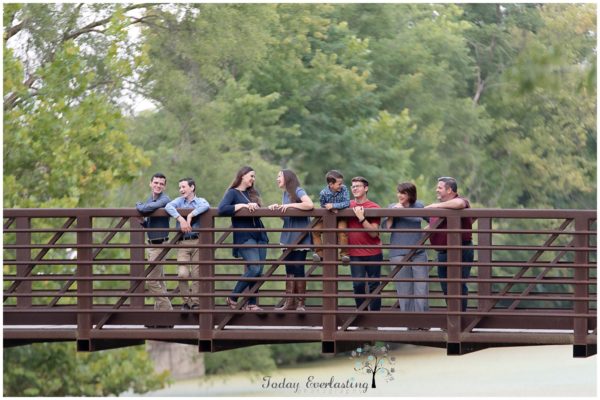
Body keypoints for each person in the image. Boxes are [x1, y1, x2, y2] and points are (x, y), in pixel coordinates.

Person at [218, 166, 268, 312]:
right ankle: (233, 297)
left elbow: (258, 212)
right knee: (254, 268)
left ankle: (252, 304)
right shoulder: (232, 193)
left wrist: (256, 206)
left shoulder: (253, 193)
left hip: (260, 235)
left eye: (254, 176)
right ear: (242, 176)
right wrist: (241, 205)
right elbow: (222, 209)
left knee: (258, 271)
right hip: (245, 236)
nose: (253, 179)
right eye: (251, 176)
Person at [268, 169, 314, 311]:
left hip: (300, 237)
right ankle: (289, 303)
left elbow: (309, 205)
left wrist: (288, 206)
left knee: (299, 267)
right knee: (289, 268)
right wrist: (278, 208)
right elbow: (287, 216)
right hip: (288, 237)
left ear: (287, 178)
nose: (277, 179)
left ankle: (301, 303)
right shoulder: (285, 194)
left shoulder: (298, 190)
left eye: (279, 176)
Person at [425, 176, 474, 312]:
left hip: (460, 250)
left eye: (440, 188)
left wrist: (436, 206)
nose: (437, 190)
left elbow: (459, 204)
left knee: (458, 287)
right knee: (446, 288)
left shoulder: (460, 202)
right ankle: (453, 318)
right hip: (443, 253)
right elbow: (434, 226)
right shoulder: (442, 209)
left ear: (449, 190)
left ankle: (459, 320)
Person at [165, 178, 210, 312]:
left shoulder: (200, 201)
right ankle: (186, 301)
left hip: (197, 241)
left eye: (184, 187)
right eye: (180, 187)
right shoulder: (179, 201)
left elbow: (206, 206)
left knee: (197, 274)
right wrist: (180, 218)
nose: (181, 190)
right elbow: (168, 206)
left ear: (192, 187)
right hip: (183, 242)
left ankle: (194, 303)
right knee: (182, 274)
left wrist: (190, 215)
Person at [135, 173, 173, 328]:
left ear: (164, 186)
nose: (158, 185)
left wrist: (139, 206)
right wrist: (144, 224)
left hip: (160, 245)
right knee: (159, 282)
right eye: (156, 182)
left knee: (151, 281)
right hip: (151, 244)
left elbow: (147, 208)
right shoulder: (151, 198)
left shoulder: (165, 199)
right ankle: (158, 318)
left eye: (161, 184)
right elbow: (151, 218)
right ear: (150, 183)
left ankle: (169, 313)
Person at [386, 182, 429, 312]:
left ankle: (422, 320)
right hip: (398, 253)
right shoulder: (392, 207)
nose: (400, 195)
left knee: (422, 286)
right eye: (399, 192)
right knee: (404, 288)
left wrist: (423, 232)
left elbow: (433, 220)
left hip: (419, 252)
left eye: (403, 193)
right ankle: (409, 320)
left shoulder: (419, 206)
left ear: (410, 194)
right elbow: (387, 228)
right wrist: (392, 213)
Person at [348, 176, 382, 311]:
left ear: (366, 188)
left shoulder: (374, 207)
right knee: (358, 284)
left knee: (374, 285)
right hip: (354, 253)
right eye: (353, 186)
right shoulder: (347, 205)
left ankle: (374, 319)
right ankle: (361, 317)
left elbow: (374, 233)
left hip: (373, 252)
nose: (355, 188)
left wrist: (361, 218)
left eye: (358, 186)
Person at [312, 170, 350, 264]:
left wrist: (334, 206)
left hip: (341, 216)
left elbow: (347, 203)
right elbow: (323, 205)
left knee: (342, 230)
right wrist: (330, 209)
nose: (341, 185)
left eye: (341, 183)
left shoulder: (344, 189)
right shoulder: (323, 193)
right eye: (339, 184)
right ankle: (320, 254)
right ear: (331, 184)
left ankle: (344, 254)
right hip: (328, 216)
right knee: (315, 230)